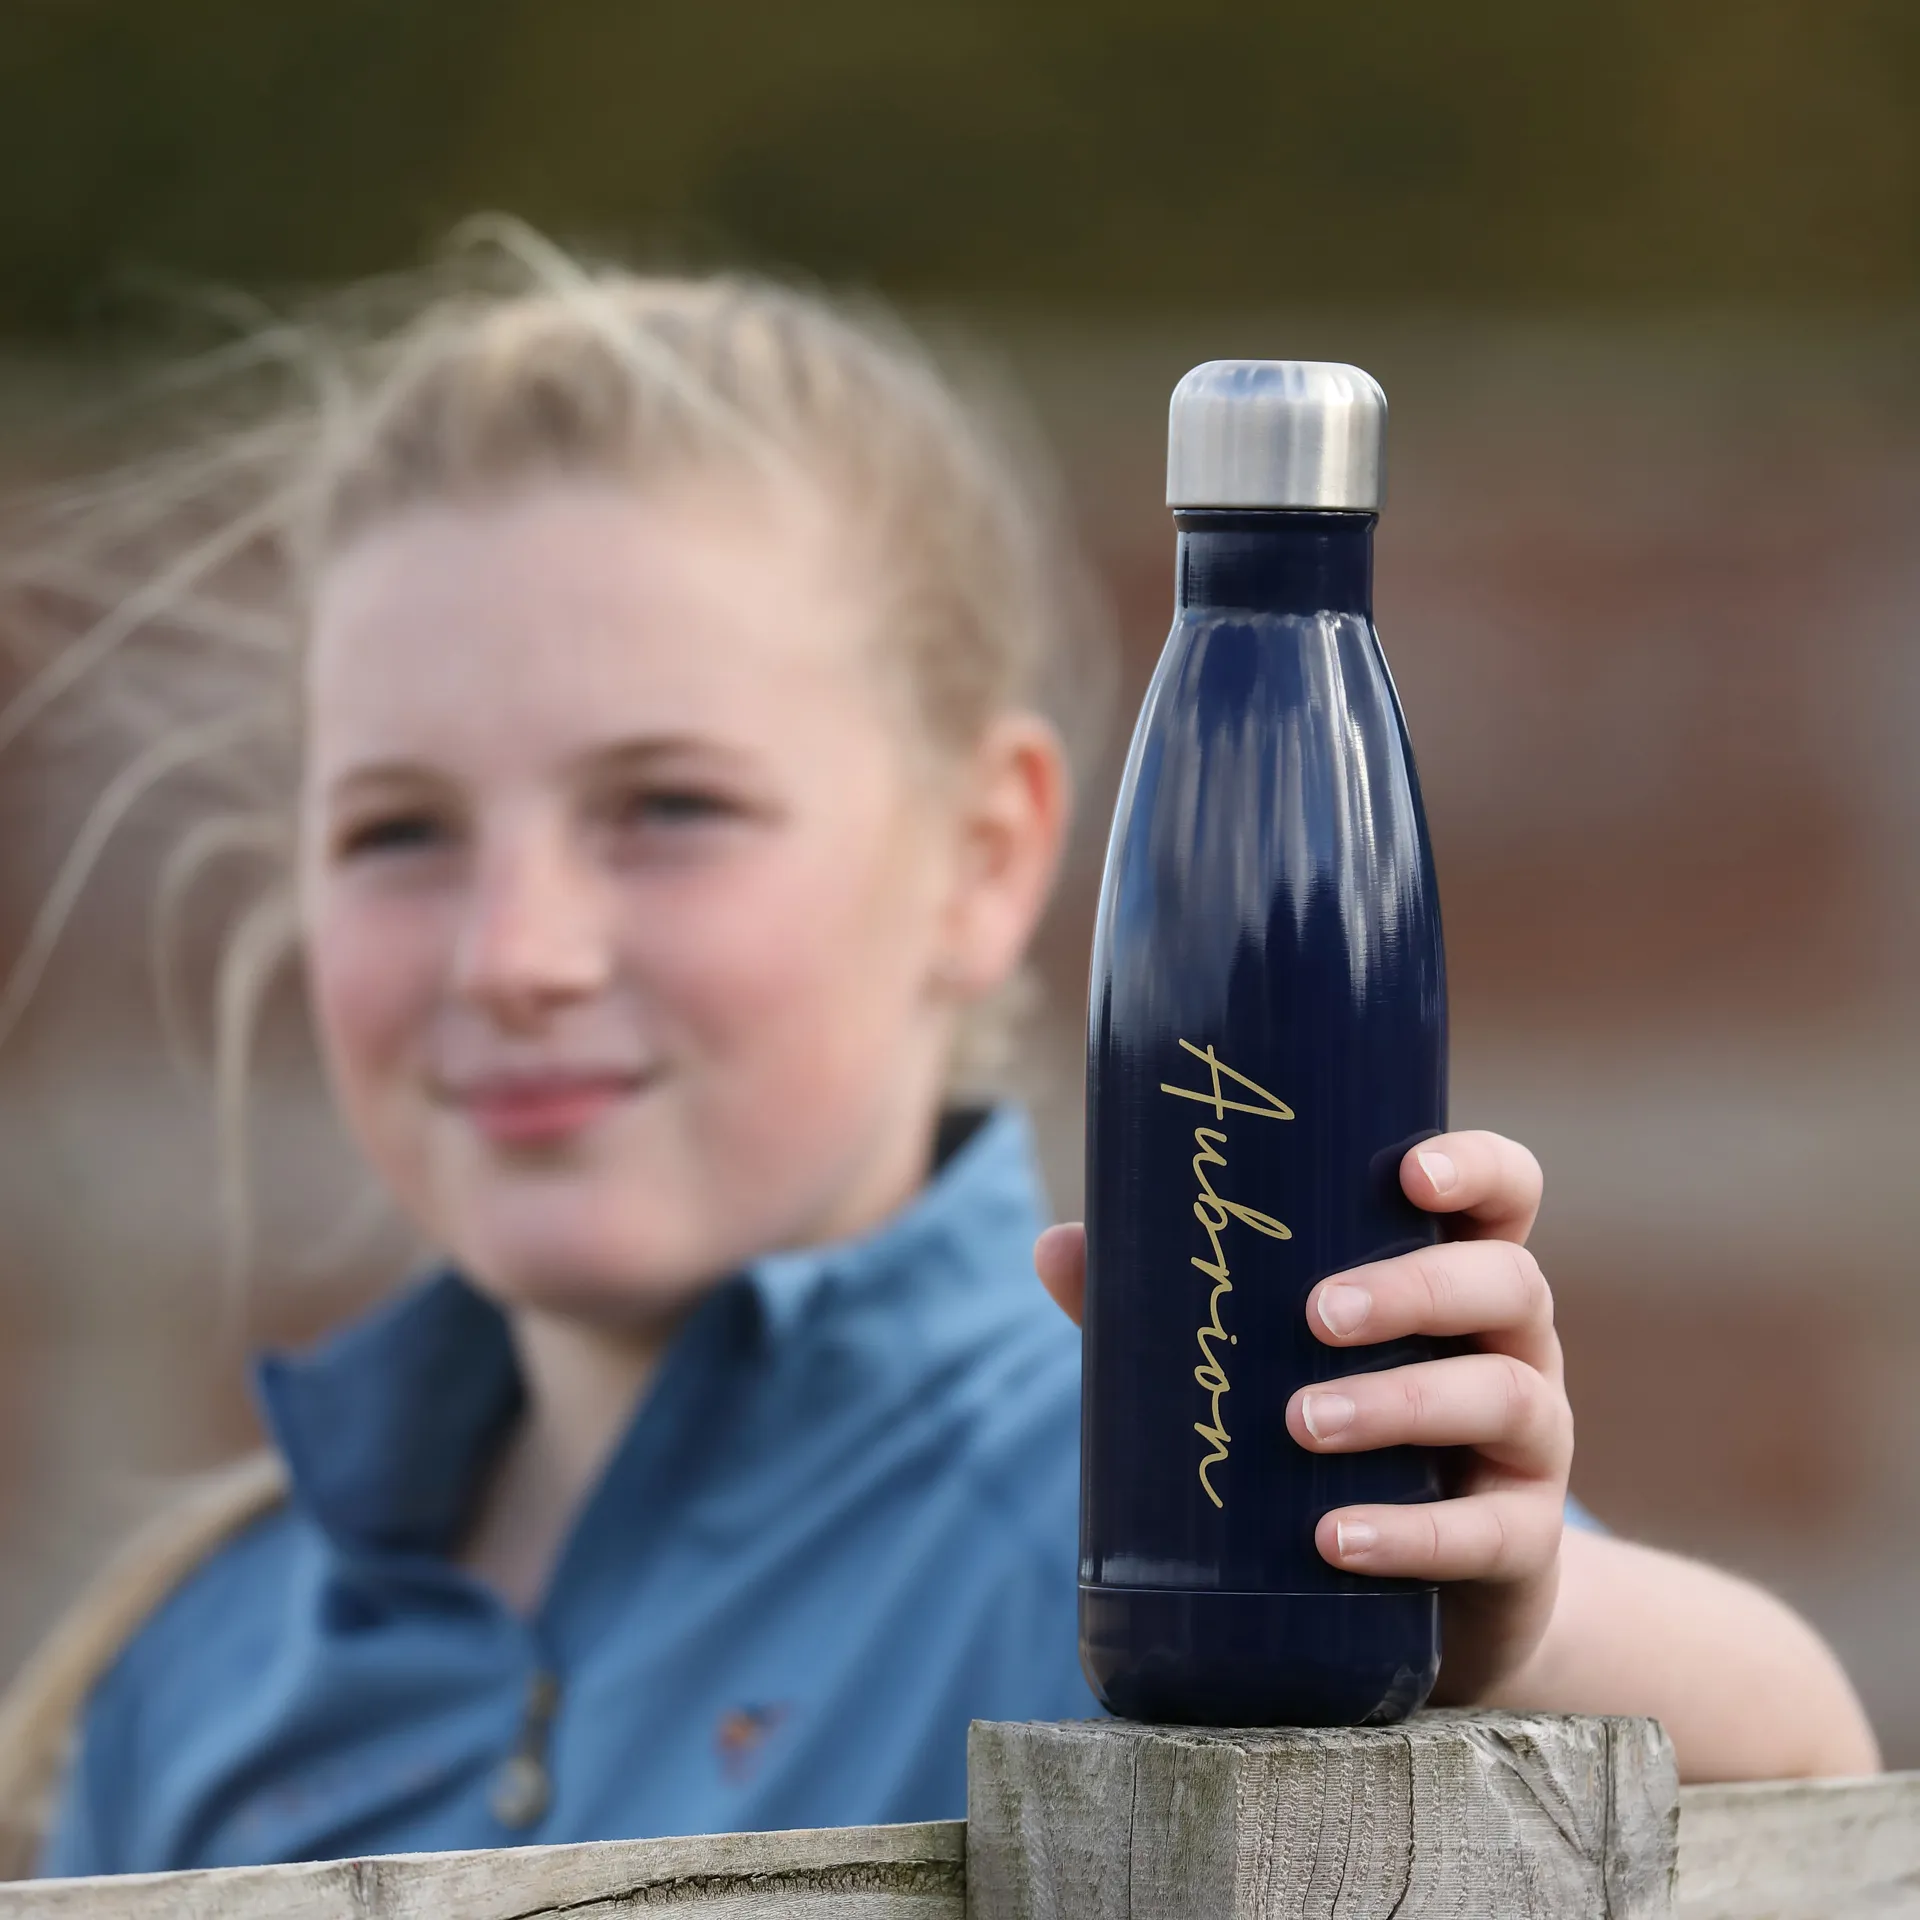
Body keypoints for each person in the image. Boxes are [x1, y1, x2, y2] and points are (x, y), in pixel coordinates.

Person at [0, 250, 1878, 1881]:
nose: (516, 953)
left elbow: (1800, 1776)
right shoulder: (200, 1670)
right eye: (398, 830)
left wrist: (1519, 1619)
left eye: (668, 807)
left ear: (985, 859)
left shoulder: (1158, 1526)